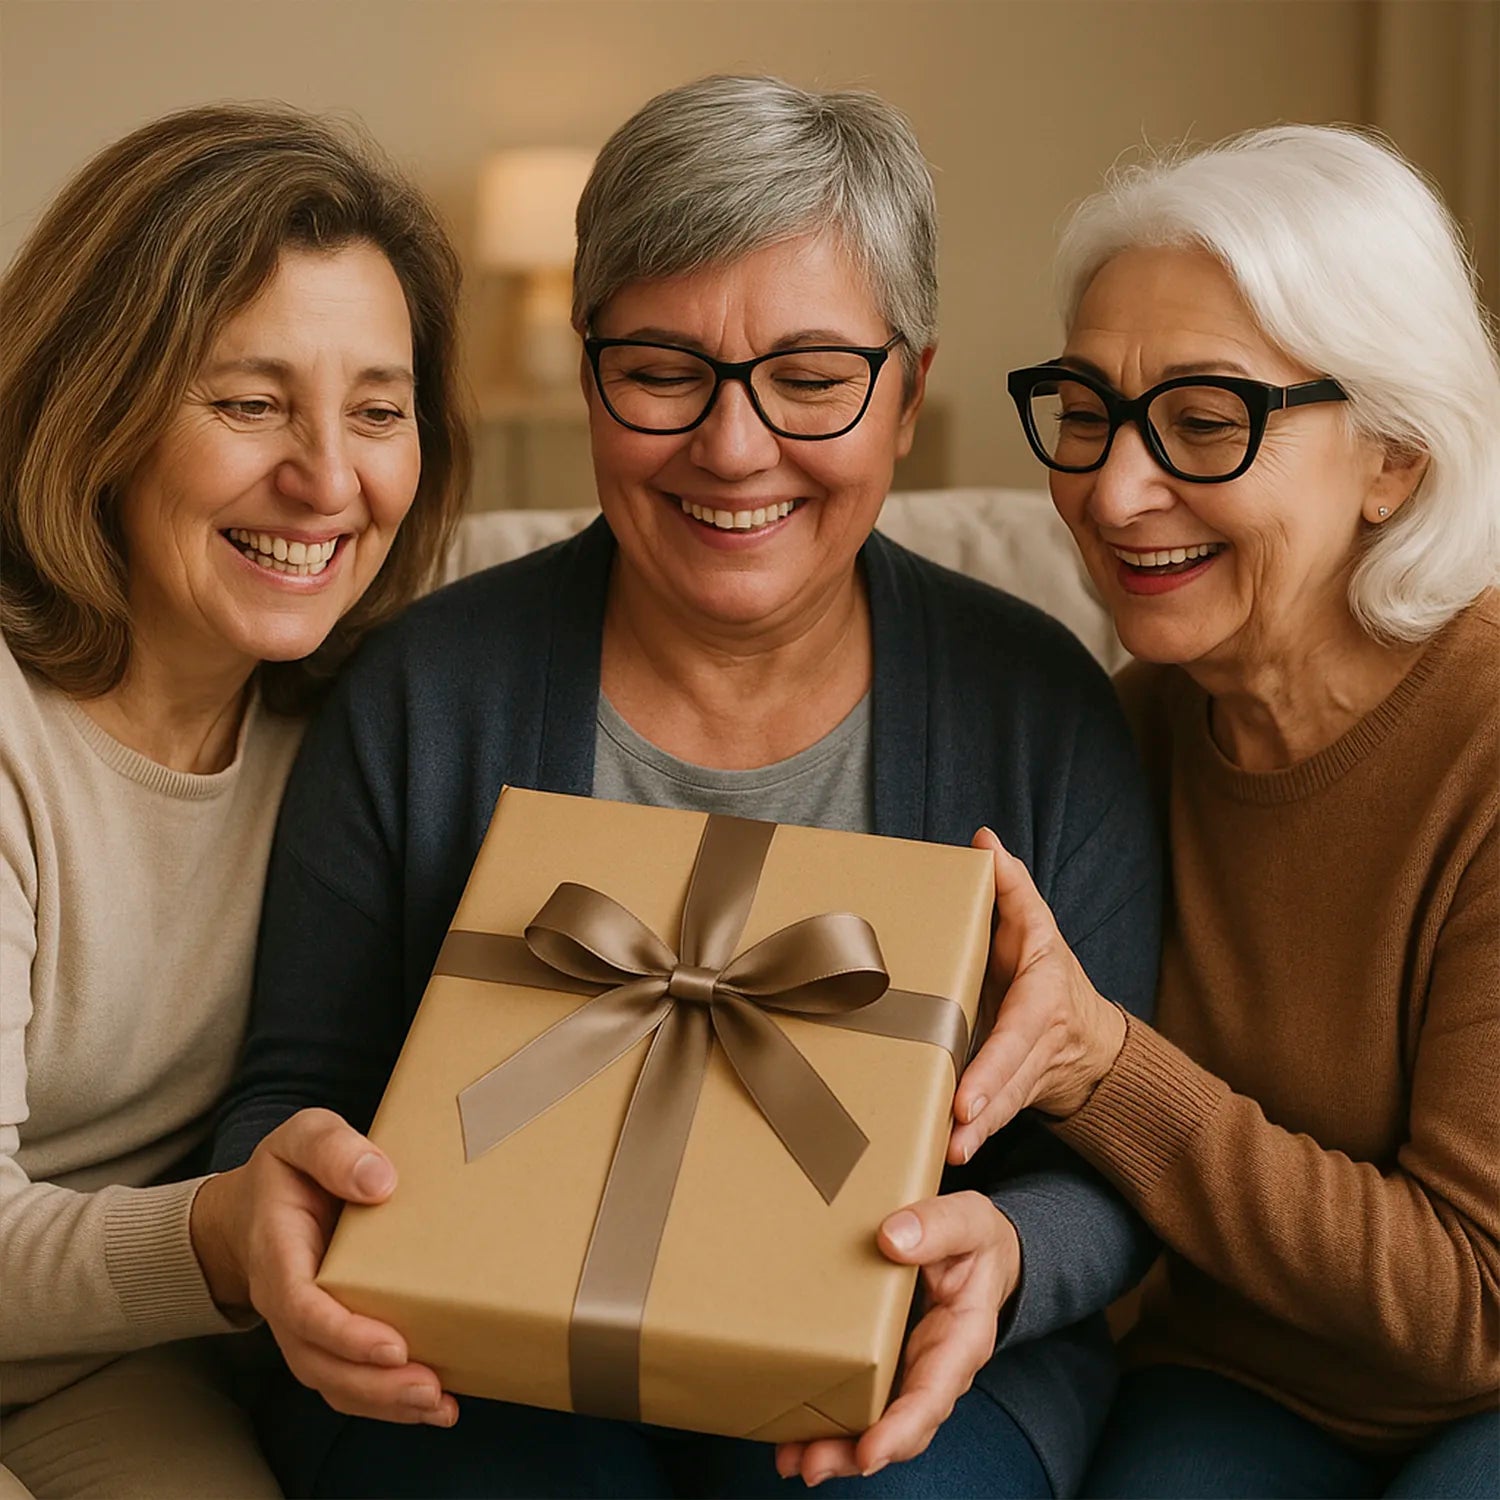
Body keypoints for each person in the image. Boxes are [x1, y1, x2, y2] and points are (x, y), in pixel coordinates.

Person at [212, 75, 1161, 1499]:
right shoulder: (421, 689)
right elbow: (288, 1094)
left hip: (918, 1367)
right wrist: (288, 1220)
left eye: (812, 379)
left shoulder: (1040, 710)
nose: (732, 446)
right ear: (590, 372)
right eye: (662, 370)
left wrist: (1014, 1254)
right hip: (475, 1369)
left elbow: (1117, 1163)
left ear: (910, 393)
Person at [961, 125, 1500, 1497]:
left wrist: (1105, 1066)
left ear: (1394, 457)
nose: (1112, 490)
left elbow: (1472, 1309)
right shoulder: (1120, 732)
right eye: (1087, 412)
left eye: (1206, 421)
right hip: (1231, 1374)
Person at [0, 103, 470, 1499]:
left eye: (376, 412)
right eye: (250, 403)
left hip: (103, 1361)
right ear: (95, 410)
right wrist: (218, 1234)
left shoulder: (371, 716)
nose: (327, 481)